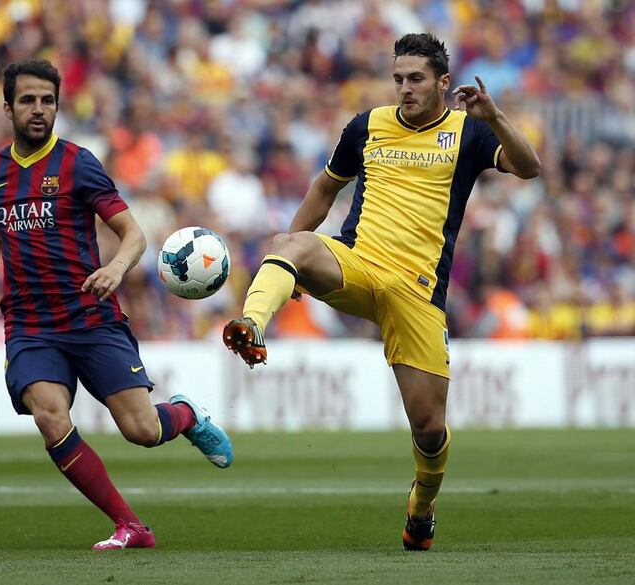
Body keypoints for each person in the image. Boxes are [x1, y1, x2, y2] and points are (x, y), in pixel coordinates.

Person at [223, 33, 540, 551]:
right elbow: (324, 191)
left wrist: (495, 116)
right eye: (398, 79)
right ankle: (252, 324)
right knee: (289, 243)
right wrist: (287, 259)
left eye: (415, 79)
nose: (404, 89)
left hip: (417, 294)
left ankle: (422, 507)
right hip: (359, 264)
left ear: (442, 82)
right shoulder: (367, 126)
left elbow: (530, 168)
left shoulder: (468, 131)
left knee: (430, 429)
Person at [0, 59, 233, 551]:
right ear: (7, 108)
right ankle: (131, 526)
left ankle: (185, 414)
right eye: (27, 100)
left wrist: (116, 268)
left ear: (58, 106)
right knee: (50, 417)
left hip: (90, 318)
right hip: (32, 327)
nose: (38, 110)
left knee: (143, 431)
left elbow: (133, 234)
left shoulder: (77, 163)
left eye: (47, 100)